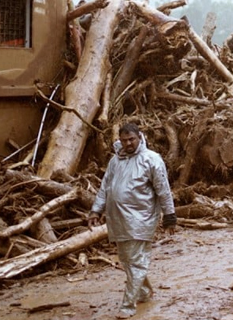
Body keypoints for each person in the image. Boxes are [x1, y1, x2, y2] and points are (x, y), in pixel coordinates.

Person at [88, 123, 176, 319]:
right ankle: (144, 292)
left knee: (135, 261)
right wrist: (96, 210)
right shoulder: (115, 161)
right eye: (124, 140)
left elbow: (163, 190)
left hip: (141, 219)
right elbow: (105, 187)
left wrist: (170, 217)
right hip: (118, 220)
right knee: (128, 260)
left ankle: (128, 306)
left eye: (131, 139)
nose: (128, 144)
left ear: (140, 137)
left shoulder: (151, 159)